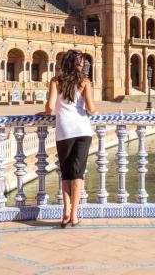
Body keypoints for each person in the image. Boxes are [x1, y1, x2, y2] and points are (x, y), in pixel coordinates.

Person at [45, 50, 96, 228]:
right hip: (82, 131)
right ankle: (74, 215)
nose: (83, 65)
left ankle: (65, 213)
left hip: (64, 132)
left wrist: (45, 113)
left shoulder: (55, 81)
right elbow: (91, 108)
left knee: (66, 174)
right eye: (81, 62)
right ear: (78, 65)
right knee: (78, 175)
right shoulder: (85, 82)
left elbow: (49, 107)